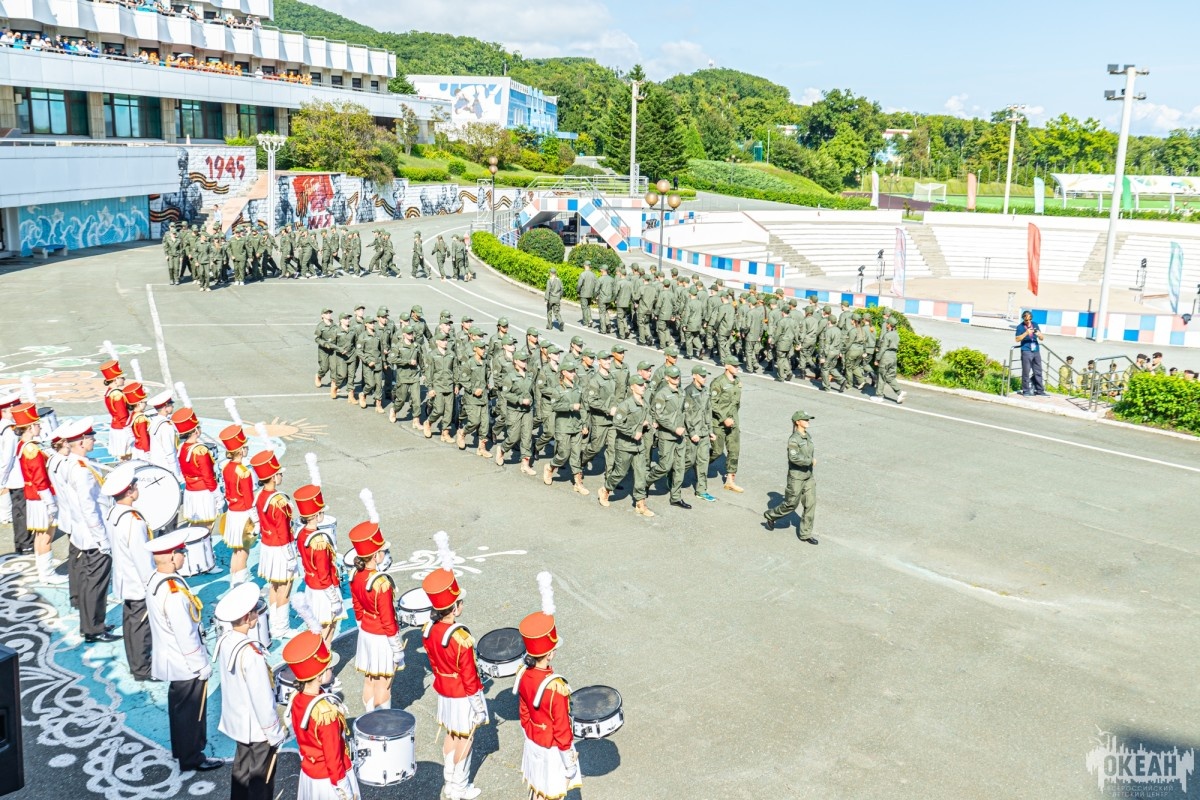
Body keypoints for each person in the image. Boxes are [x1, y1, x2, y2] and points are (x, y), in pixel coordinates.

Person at [144, 528, 224, 772]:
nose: (184, 555)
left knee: (179, 710)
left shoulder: (157, 580)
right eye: (180, 552)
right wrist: (201, 665)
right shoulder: (174, 593)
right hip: (185, 662)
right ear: (170, 557)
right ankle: (192, 757)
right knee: (192, 713)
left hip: (170, 658)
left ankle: (182, 750)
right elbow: (185, 634)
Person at [422, 531, 486, 800]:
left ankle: (450, 781)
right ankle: (459, 787)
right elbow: (470, 678)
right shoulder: (460, 638)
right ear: (456, 608)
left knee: (451, 734)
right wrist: (480, 707)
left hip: (443, 690)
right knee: (466, 738)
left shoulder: (428, 630)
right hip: (461, 694)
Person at [213, 583, 286, 800]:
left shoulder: (226, 640)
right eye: (254, 611)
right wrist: (274, 733)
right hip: (257, 727)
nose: (257, 613)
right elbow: (262, 700)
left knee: (241, 771)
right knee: (260, 780)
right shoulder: (251, 653)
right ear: (247, 618)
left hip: (238, 721)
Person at [516, 573, 581, 800]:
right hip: (553, 750)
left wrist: (530, 733)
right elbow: (562, 731)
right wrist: (569, 763)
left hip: (533, 741)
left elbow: (524, 712)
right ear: (551, 654)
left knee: (537, 791)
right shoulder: (556, 688)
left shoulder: (523, 674)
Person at [60, 417, 121, 641]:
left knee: (89, 582)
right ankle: (94, 628)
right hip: (93, 536)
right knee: (96, 584)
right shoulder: (81, 470)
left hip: (82, 534)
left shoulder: (74, 463)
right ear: (82, 442)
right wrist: (102, 539)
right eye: (90, 437)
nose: (94, 439)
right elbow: (89, 508)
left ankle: (90, 625)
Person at [282, 631, 359, 800]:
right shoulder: (326, 713)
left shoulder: (298, 698)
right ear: (318, 676)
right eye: (329, 667)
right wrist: (344, 789)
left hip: (310, 774)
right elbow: (333, 758)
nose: (332, 668)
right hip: (329, 781)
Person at [348, 494, 403, 713]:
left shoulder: (355, 574)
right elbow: (388, 618)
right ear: (376, 555)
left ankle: (368, 718)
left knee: (370, 678)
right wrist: (397, 647)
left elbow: (357, 606)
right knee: (384, 683)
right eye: (382, 550)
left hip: (366, 632)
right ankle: (380, 727)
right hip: (381, 636)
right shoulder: (381, 583)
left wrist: (363, 626)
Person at [102, 462, 154, 679]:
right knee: (141, 626)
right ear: (130, 491)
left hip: (124, 576)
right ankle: (142, 667)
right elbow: (142, 557)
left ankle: (138, 664)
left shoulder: (114, 513)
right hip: (136, 581)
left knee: (131, 622)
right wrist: (151, 583)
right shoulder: (133, 521)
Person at [250, 449, 295, 638]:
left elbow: (254, 513)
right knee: (285, 586)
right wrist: (291, 556)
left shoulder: (260, 495)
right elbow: (284, 531)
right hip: (281, 548)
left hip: (268, 546)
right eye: (279, 473)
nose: (281, 475)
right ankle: (281, 627)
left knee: (274, 586)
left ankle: (275, 623)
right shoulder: (279, 500)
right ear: (274, 477)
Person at [294, 476, 344, 648]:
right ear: (316, 515)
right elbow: (324, 573)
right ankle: (323, 667)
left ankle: (323, 665)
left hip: (311, 586)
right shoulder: (319, 541)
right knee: (327, 629)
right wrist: (335, 598)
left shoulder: (302, 534)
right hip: (324, 590)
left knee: (319, 629)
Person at [598, 375, 654, 516]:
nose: (643, 387)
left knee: (641, 474)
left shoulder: (644, 403)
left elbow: (647, 416)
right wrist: (633, 432)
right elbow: (617, 423)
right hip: (625, 445)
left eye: (644, 385)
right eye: (640, 385)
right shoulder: (626, 405)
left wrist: (648, 423)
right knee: (620, 473)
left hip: (638, 446)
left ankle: (640, 503)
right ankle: (605, 489)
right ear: (632, 387)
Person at [763, 409, 818, 544]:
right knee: (791, 504)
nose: (808, 421)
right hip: (796, 477)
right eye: (805, 419)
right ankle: (771, 515)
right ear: (798, 422)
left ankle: (805, 534)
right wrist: (809, 461)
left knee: (810, 504)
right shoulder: (794, 439)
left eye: (808, 419)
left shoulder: (807, 435)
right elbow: (793, 457)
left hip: (808, 476)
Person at [219, 403, 257, 586]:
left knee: (236, 551)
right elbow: (249, 498)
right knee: (244, 551)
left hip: (233, 512)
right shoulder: (244, 471)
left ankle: (235, 579)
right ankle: (240, 582)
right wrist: (255, 519)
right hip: (243, 514)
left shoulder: (227, 467)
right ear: (241, 450)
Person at [173, 403, 220, 529]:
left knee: (195, 527)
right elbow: (208, 476)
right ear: (195, 431)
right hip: (204, 493)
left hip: (190, 491)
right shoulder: (200, 451)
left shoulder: (182, 447)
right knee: (207, 527)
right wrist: (218, 496)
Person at [0, 390, 32, 555]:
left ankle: (20, 542)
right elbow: (8, 458)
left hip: (12, 476)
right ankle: (25, 543)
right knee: (21, 511)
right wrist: (2, 480)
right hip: (16, 476)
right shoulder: (10, 431)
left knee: (18, 510)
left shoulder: (3, 427)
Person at [709, 357, 745, 493]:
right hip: (719, 422)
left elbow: (737, 403)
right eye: (734, 366)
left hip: (733, 421)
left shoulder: (737, 382)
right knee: (717, 451)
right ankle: (700, 464)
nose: (737, 368)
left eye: (738, 366)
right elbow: (712, 403)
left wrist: (733, 417)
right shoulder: (718, 383)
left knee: (734, 450)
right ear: (726, 366)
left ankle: (730, 481)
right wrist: (724, 418)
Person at [683, 365, 716, 503]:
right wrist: (691, 433)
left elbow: (708, 412)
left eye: (705, 375)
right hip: (693, 433)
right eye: (702, 375)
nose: (704, 378)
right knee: (689, 460)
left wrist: (710, 431)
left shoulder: (706, 391)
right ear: (694, 376)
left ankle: (701, 490)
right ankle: (673, 475)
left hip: (703, 432)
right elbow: (686, 415)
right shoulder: (688, 392)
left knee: (703, 461)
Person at [872, 317, 906, 404]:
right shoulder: (896, 334)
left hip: (886, 356)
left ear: (889, 325)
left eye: (887, 323)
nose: (886, 325)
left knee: (881, 376)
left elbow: (883, 348)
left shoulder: (887, 335)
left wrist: (877, 358)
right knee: (890, 376)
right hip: (893, 356)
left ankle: (879, 396)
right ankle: (899, 392)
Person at [1014, 310, 1046, 397]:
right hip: (1026, 350)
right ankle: (1026, 391)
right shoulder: (1020, 327)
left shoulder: (1035, 324)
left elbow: (1042, 338)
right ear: (1023, 319)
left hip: (1036, 350)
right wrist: (1026, 333)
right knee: (1026, 371)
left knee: (1038, 371)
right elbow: (1017, 339)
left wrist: (1039, 335)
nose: (1028, 321)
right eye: (1026, 320)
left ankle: (1040, 390)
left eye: (1029, 319)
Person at [314, 308, 337, 389]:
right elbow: (317, 338)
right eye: (326, 313)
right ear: (322, 315)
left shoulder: (334, 325)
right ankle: (319, 375)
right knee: (324, 367)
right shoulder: (320, 326)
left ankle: (334, 385)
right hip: (324, 350)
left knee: (334, 367)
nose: (329, 314)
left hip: (333, 349)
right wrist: (324, 343)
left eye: (330, 313)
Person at [576, 260, 596, 328]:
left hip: (584, 293)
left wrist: (578, 291)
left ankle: (585, 323)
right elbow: (595, 284)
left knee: (584, 308)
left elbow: (579, 285)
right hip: (590, 294)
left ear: (585, 265)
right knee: (588, 307)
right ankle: (590, 319)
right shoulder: (593, 274)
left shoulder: (583, 274)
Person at [545, 267, 564, 331]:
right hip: (557, 298)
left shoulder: (549, 281)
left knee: (549, 311)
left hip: (551, 298)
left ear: (550, 273)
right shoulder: (559, 280)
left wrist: (546, 299)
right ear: (555, 273)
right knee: (556, 312)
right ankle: (560, 321)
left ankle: (549, 325)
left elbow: (547, 290)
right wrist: (560, 296)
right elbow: (562, 289)